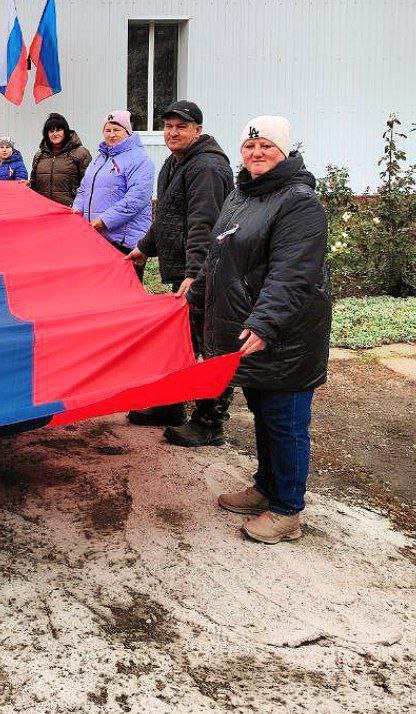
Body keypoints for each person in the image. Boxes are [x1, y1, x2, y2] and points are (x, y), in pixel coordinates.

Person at [187, 117, 330, 543]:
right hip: (249, 333)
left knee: (285, 422)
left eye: (266, 145)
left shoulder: (299, 202)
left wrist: (265, 322)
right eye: (250, 146)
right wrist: (195, 295)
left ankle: (287, 510)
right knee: (264, 416)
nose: (257, 153)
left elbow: (293, 272)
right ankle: (266, 487)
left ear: (284, 151)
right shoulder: (241, 195)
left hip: (285, 336)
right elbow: (218, 257)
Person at [124, 100, 234, 445]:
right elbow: (169, 216)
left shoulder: (207, 167)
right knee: (178, 340)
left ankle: (209, 422)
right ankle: (170, 405)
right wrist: (145, 246)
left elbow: (205, 223)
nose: (172, 133)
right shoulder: (176, 162)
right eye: (168, 126)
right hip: (185, 270)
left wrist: (194, 274)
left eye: (181, 127)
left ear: (197, 131)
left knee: (209, 344)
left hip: (206, 275)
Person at [72, 110, 153, 281]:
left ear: (128, 131)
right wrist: (77, 209)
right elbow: (84, 188)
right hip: (98, 237)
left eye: (117, 130)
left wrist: (104, 221)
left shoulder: (139, 159)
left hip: (123, 240)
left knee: (125, 288)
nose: (111, 134)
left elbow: (136, 198)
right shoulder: (99, 159)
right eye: (107, 130)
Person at [29, 113, 92, 206]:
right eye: (51, 131)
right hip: (43, 209)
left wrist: (79, 205)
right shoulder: (39, 155)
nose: (55, 134)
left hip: (70, 209)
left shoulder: (81, 153)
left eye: (58, 130)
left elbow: (89, 184)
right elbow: (33, 183)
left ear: (65, 131)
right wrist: (26, 185)